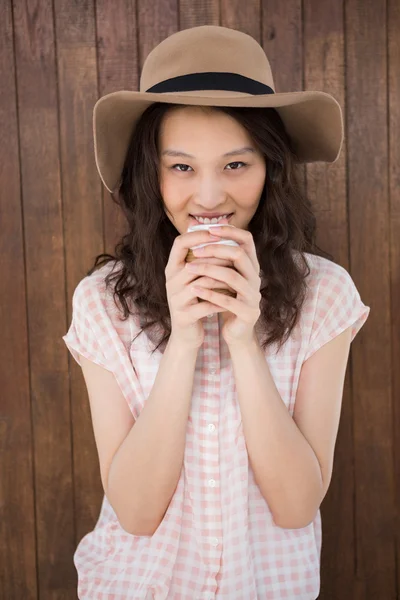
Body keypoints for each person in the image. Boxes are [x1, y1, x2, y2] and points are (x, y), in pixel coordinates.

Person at [62, 25, 370, 600]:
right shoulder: (103, 301)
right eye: (181, 168)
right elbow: (134, 512)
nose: (208, 198)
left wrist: (244, 339)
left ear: (271, 170)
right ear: (151, 176)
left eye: (235, 165)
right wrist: (181, 342)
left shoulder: (325, 294)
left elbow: (296, 504)